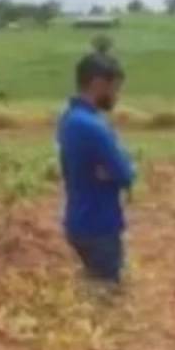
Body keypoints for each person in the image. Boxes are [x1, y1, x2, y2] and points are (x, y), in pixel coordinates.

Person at [57, 53, 135, 287]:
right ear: (98, 84)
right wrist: (123, 166)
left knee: (94, 287)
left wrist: (109, 170)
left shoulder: (69, 118)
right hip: (99, 224)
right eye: (114, 89)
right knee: (107, 294)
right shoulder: (93, 126)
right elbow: (125, 173)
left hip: (79, 220)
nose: (116, 96)